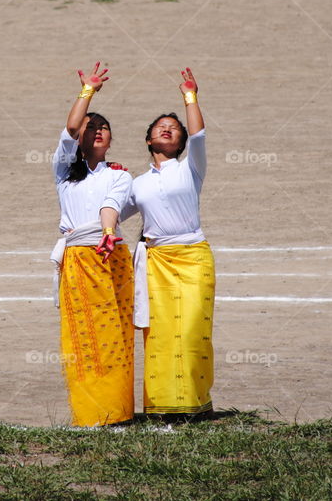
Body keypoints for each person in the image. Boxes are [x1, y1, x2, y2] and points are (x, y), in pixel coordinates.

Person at [50, 62, 135, 427]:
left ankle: (117, 412)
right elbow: (71, 126)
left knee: (116, 334)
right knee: (84, 338)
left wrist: (107, 232)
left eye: (104, 128)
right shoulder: (63, 167)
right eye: (92, 127)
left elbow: (110, 207)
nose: (97, 131)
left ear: (111, 139)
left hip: (110, 251)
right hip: (79, 257)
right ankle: (90, 413)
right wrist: (89, 91)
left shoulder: (120, 174)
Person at [128, 67, 215, 422]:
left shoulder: (191, 167)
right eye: (160, 126)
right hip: (156, 262)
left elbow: (200, 135)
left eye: (174, 128)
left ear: (179, 143)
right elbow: (112, 215)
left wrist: (190, 96)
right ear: (149, 139)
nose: (167, 128)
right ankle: (162, 407)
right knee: (160, 336)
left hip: (193, 257)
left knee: (193, 330)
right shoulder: (134, 182)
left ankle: (195, 406)